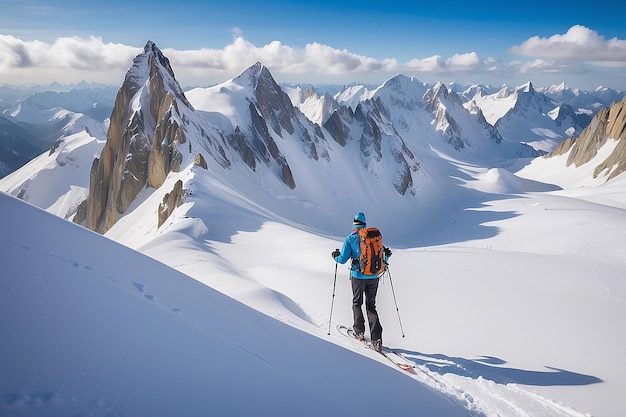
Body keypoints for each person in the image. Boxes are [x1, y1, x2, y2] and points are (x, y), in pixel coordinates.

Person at [332, 211, 391, 352]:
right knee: (371, 306)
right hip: (374, 277)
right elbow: (382, 259)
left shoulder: (350, 238)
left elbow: (342, 260)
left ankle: (359, 331)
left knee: (357, 302)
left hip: (358, 277)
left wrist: (335, 256)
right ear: (365, 224)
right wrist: (387, 258)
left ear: (354, 224)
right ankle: (377, 339)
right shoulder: (374, 237)